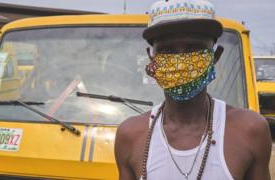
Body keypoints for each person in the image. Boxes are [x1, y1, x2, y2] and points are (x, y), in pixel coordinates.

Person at [114, 0, 272, 179]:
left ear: (215, 56)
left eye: (194, 48)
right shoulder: (130, 135)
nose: (181, 61)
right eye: (167, 50)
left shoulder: (250, 130)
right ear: (152, 59)